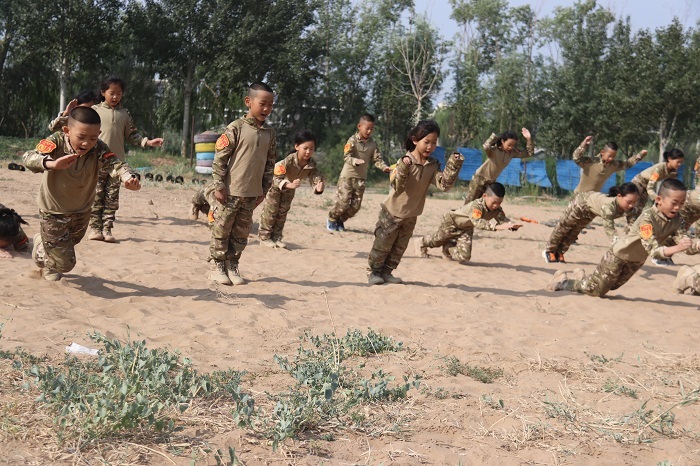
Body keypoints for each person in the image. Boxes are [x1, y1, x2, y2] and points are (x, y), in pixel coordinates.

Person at [22, 107, 140, 281]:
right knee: (66, 264)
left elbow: (116, 163)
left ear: (98, 134)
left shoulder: (98, 148)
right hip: (53, 211)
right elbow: (28, 157)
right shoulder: (55, 142)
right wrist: (51, 164)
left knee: (68, 246)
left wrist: (128, 178)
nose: (86, 143)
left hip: (82, 211)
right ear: (67, 131)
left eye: (93, 138)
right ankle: (41, 245)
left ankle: (50, 261)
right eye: (81, 137)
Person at [547, 179, 699, 297]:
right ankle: (563, 282)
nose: (678, 207)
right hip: (619, 255)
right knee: (597, 290)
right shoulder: (647, 219)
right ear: (659, 199)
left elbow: (684, 241)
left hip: (636, 260)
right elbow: (654, 251)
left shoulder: (678, 219)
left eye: (681, 203)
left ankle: (581, 276)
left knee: (612, 286)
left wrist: (696, 245)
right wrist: (678, 248)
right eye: (674, 203)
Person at [366, 120, 463, 285]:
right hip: (392, 212)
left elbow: (444, 185)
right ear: (415, 140)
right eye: (426, 142)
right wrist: (404, 167)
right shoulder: (404, 161)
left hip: (412, 214)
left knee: (399, 248)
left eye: (434, 143)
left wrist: (454, 163)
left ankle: (387, 272)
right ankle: (373, 273)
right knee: (383, 244)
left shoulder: (432, 165)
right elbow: (397, 185)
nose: (430, 147)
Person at [209, 82, 277, 285]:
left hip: (252, 193)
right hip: (231, 191)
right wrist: (219, 185)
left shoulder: (270, 134)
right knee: (222, 229)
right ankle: (217, 265)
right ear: (249, 102)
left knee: (241, 232)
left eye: (271, 105)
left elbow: (270, 163)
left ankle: (233, 265)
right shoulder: (236, 127)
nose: (266, 109)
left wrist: (264, 190)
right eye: (263, 103)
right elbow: (220, 158)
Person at [89, 76, 164, 243]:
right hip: (97, 162)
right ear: (103, 93)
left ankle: (107, 229)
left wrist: (148, 142)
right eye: (111, 93)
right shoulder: (94, 111)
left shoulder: (124, 113)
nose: (115, 97)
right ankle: (95, 228)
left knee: (112, 199)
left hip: (117, 165)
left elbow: (132, 135)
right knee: (96, 196)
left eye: (119, 93)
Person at [414, 182, 522, 263]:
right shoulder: (476, 206)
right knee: (436, 240)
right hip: (452, 222)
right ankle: (421, 242)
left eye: (499, 203)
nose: (496, 205)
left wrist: (511, 225)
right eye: (494, 202)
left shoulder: (497, 209)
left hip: (466, 228)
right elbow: (478, 222)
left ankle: (447, 248)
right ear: (485, 196)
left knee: (465, 256)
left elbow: (503, 220)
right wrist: (496, 227)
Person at [542, 183, 639, 263]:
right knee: (564, 227)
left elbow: (632, 225)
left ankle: (560, 252)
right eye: (629, 201)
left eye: (634, 202)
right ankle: (549, 250)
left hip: (591, 211)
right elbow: (609, 229)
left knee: (574, 232)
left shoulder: (630, 208)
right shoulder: (608, 207)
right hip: (581, 203)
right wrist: (618, 246)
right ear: (619, 196)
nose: (631, 205)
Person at [258, 130, 324, 248]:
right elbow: (275, 177)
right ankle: (264, 237)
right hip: (275, 187)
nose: (308, 152)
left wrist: (318, 186)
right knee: (271, 211)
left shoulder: (311, 164)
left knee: (282, 212)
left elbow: (316, 176)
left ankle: (276, 237)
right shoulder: (288, 160)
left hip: (290, 188)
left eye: (312, 149)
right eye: (305, 148)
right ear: (297, 147)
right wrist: (288, 184)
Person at [327, 114, 391, 232]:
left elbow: (377, 159)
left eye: (372, 129)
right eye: (367, 128)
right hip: (347, 176)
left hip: (361, 178)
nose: (369, 131)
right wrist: (354, 160)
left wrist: (384, 167)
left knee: (355, 207)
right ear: (359, 126)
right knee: (343, 202)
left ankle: (340, 220)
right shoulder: (352, 140)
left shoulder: (373, 144)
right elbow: (346, 156)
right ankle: (332, 218)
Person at [464, 128, 534, 203]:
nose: (511, 147)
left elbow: (529, 153)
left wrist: (528, 139)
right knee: (470, 203)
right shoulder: (494, 150)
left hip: (490, 182)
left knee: (485, 204)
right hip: (479, 179)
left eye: (513, 145)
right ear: (503, 141)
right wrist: (493, 137)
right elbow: (485, 146)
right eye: (509, 145)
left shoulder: (512, 153)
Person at [625, 148, 685, 228]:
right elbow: (650, 187)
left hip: (645, 188)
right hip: (638, 184)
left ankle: (631, 229)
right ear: (669, 159)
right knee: (633, 209)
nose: (679, 164)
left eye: (681, 162)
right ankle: (629, 231)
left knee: (639, 211)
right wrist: (657, 199)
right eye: (678, 162)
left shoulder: (673, 172)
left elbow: (670, 187)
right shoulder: (659, 168)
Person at [572, 137, 646, 193]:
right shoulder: (591, 162)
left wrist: (640, 155)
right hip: (579, 197)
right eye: (609, 156)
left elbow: (627, 164)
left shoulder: (613, 165)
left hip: (593, 199)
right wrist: (583, 144)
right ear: (602, 152)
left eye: (613, 156)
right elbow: (576, 158)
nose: (611, 159)